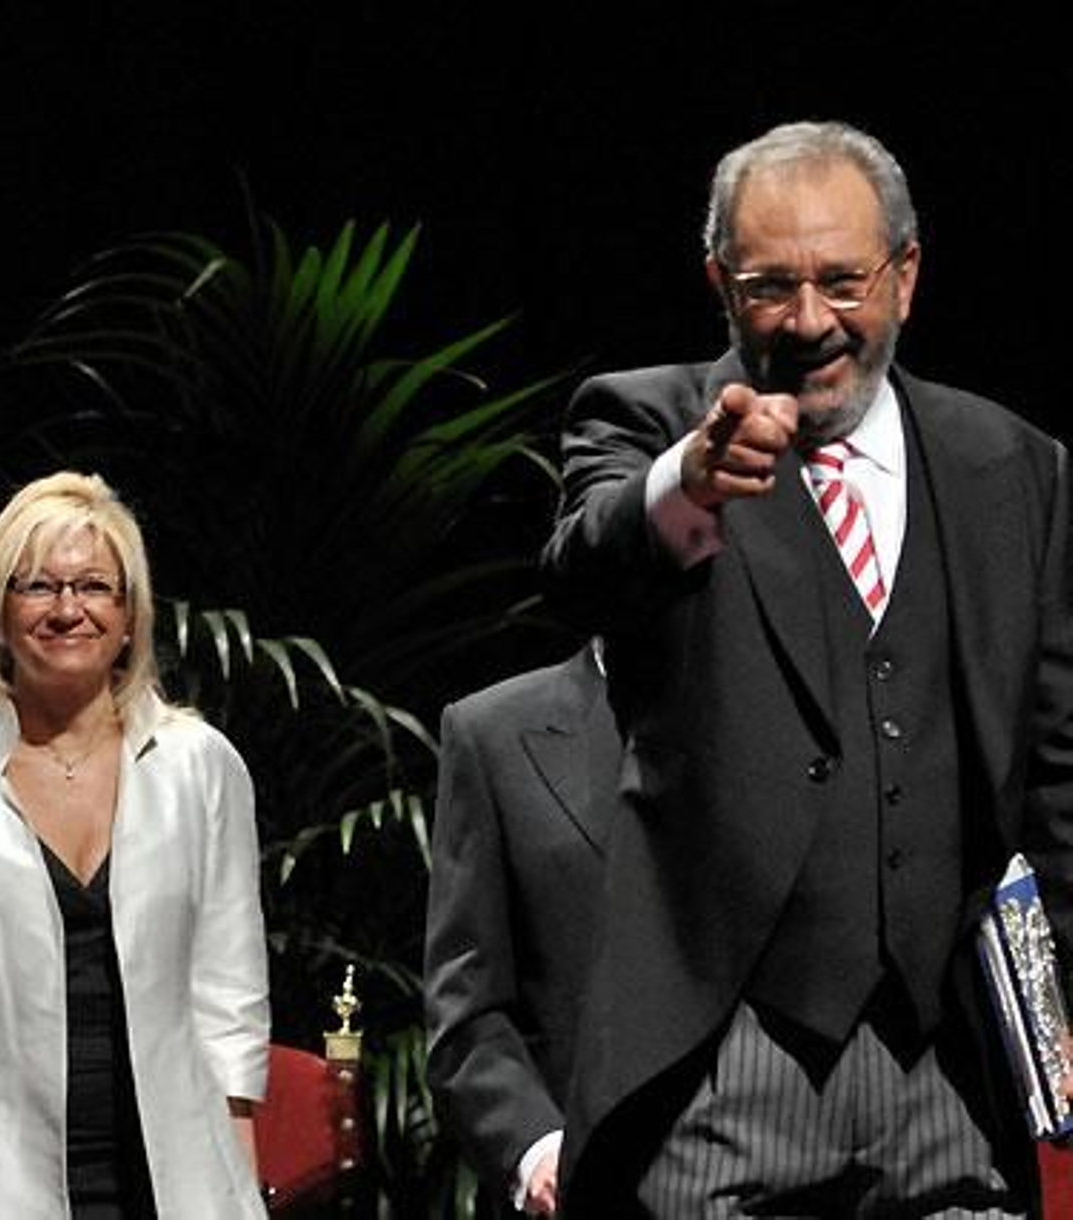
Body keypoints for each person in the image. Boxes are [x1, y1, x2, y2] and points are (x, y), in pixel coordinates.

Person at [537, 119, 1073, 1216]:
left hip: (949, 1069)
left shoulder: (1012, 465)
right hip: (724, 1071)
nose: (811, 320)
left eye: (843, 279)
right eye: (769, 285)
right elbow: (585, 563)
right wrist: (685, 483)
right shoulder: (647, 424)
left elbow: (1055, 768)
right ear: (717, 286)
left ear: (906, 275)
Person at [0, 470, 269, 1217]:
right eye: (38, 587)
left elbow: (229, 1001)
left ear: (131, 616)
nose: (69, 610)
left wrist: (234, 1187)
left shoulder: (203, 768)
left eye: (96, 587)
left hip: (170, 1183)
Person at [423, 642, 620, 1216]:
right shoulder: (493, 732)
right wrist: (537, 1147)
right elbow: (467, 1006)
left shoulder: (780, 731)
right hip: (581, 1188)